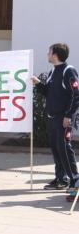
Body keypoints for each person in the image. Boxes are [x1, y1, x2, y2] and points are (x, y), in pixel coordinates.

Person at [32, 43, 79, 190]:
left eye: (49, 52)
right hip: (52, 118)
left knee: (64, 148)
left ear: (55, 54)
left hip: (62, 118)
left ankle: (74, 180)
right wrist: (38, 83)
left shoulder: (68, 71)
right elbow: (49, 92)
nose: (47, 54)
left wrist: (68, 115)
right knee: (56, 149)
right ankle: (61, 179)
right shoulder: (54, 71)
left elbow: (76, 95)